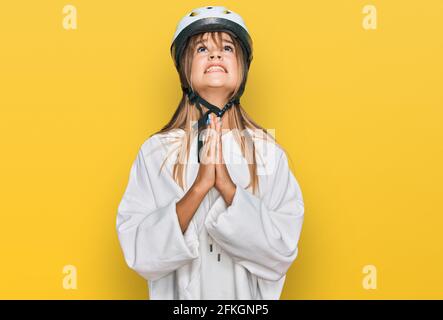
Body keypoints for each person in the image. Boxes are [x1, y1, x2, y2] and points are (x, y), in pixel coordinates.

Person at [116, 5, 305, 300]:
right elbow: (140, 253)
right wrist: (200, 186)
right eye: (202, 48)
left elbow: (281, 251)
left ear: (242, 67)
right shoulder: (156, 152)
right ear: (184, 69)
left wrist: (227, 188)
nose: (215, 55)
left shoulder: (268, 153)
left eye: (227, 47)